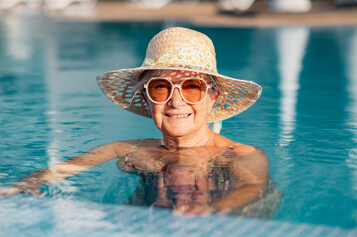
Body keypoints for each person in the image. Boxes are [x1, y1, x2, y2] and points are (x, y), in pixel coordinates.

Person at [0, 27, 280, 216]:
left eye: (192, 87)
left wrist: (212, 210)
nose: (176, 100)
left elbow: (251, 188)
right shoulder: (131, 150)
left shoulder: (240, 155)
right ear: (146, 98)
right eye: (160, 87)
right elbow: (68, 167)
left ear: (213, 97)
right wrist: (27, 183)